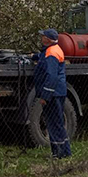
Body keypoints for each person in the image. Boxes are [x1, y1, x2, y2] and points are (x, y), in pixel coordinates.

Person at [34, 28, 72, 159]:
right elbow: (43, 58)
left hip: (53, 94)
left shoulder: (51, 53)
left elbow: (51, 76)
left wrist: (45, 96)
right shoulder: (53, 50)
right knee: (57, 123)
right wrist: (34, 56)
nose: (41, 38)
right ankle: (63, 152)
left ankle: (60, 153)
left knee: (54, 123)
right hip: (57, 92)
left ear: (48, 39)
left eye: (43, 36)